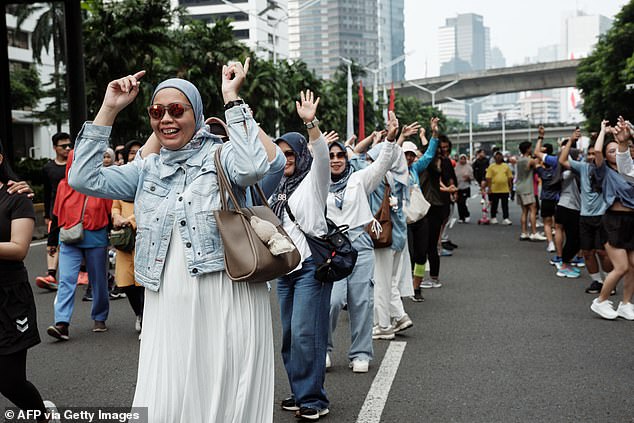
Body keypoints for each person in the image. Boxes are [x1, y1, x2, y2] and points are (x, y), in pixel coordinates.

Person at [69, 60, 276, 422]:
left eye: (177, 110)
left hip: (226, 294)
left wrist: (231, 98)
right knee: (168, 394)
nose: (166, 118)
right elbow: (83, 177)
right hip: (167, 300)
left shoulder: (221, 156)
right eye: (157, 111)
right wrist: (109, 107)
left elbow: (254, 167)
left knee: (225, 390)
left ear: (195, 114)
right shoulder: (146, 168)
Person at [272, 90, 332, 421]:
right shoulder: (275, 186)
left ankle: (314, 398)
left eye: (289, 152)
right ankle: (298, 391)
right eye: (280, 153)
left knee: (307, 332)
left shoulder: (313, 180)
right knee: (290, 335)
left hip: (311, 266)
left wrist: (310, 123)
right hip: (286, 269)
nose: (285, 157)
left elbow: (321, 154)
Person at [326, 115, 399, 374]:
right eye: (331, 155)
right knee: (332, 301)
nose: (335, 159)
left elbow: (381, 165)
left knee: (361, 301)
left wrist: (390, 138)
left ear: (346, 160)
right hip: (332, 249)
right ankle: (324, 349)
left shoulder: (359, 180)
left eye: (340, 156)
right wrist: (316, 148)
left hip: (359, 245)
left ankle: (360, 352)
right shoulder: (317, 183)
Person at [0, 141, 60, 423]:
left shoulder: (16, 197)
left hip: (8, 299)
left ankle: (42, 415)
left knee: (10, 381)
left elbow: (18, 248)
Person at [46, 149, 112, 339]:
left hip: (96, 236)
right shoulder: (63, 185)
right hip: (68, 237)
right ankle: (62, 323)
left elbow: (109, 212)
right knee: (66, 280)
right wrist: (52, 240)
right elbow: (56, 214)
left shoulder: (100, 181)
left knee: (99, 280)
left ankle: (99, 316)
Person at [559, 123, 613, 294]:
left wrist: (603, 133)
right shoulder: (582, 167)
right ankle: (596, 281)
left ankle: (608, 281)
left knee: (602, 252)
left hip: (602, 216)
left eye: (593, 154)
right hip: (585, 216)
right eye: (588, 154)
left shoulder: (606, 169)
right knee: (587, 252)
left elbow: (599, 153)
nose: (591, 156)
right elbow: (562, 160)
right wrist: (571, 140)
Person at [588, 122, 634, 320]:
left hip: (632, 220)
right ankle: (600, 301)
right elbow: (597, 152)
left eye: (618, 149)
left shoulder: (630, 170)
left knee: (633, 266)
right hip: (613, 221)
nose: (615, 153)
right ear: (606, 155)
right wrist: (602, 132)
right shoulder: (603, 171)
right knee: (622, 267)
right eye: (611, 150)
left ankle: (626, 303)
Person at [403, 118, 441, 300]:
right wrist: (400, 136)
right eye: (405, 155)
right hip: (402, 220)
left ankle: (416, 288)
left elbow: (428, 155)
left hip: (420, 218)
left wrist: (434, 134)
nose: (409, 158)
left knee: (421, 253)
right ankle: (404, 287)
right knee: (407, 255)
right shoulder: (393, 172)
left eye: (411, 155)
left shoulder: (415, 169)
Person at [35, 133, 72, 291]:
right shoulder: (48, 168)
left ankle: (83, 272)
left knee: (77, 240)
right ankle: (51, 275)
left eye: (69, 145)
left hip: (74, 211)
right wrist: (46, 215)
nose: (67, 148)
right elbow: (47, 191)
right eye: (63, 146)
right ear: (54, 148)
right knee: (52, 243)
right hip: (55, 212)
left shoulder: (74, 164)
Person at [516, 141, 546, 241]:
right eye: (530, 147)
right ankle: (534, 232)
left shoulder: (519, 160)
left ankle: (524, 233)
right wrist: (540, 151)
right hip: (527, 188)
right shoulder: (528, 160)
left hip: (519, 187)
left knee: (524, 211)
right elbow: (538, 160)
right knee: (533, 210)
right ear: (527, 149)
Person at [485, 151, 513, 224]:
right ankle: (493, 217)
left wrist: (510, 187)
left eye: (500, 156)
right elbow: (488, 178)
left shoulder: (506, 166)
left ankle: (505, 218)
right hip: (494, 189)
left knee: (505, 205)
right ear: (494, 158)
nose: (498, 157)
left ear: (502, 157)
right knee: (494, 204)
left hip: (504, 188)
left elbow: (509, 177)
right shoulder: (491, 166)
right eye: (497, 156)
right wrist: (489, 188)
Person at [454, 153, 474, 223]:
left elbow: (472, 177)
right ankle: (461, 217)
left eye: (464, 159)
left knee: (462, 202)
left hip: (465, 187)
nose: (462, 160)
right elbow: (454, 176)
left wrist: (468, 178)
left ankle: (466, 214)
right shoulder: (456, 167)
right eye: (461, 159)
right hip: (457, 187)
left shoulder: (469, 167)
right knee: (459, 202)